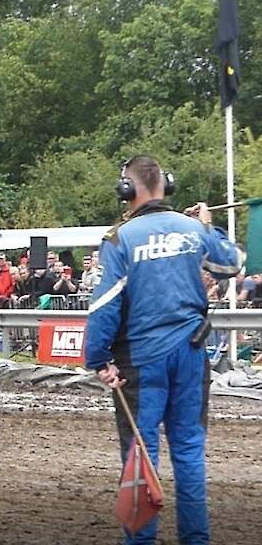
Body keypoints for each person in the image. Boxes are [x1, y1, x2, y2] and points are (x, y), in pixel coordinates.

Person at [86, 155, 244, 543]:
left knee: (141, 455)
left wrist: (97, 358)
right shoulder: (194, 229)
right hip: (191, 355)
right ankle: (196, 539)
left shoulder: (119, 238)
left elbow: (104, 304)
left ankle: (141, 540)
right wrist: (208, 226)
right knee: (189, 451)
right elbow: (233, 264)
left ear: (127, 188)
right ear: (166, 185)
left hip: (140, 361)